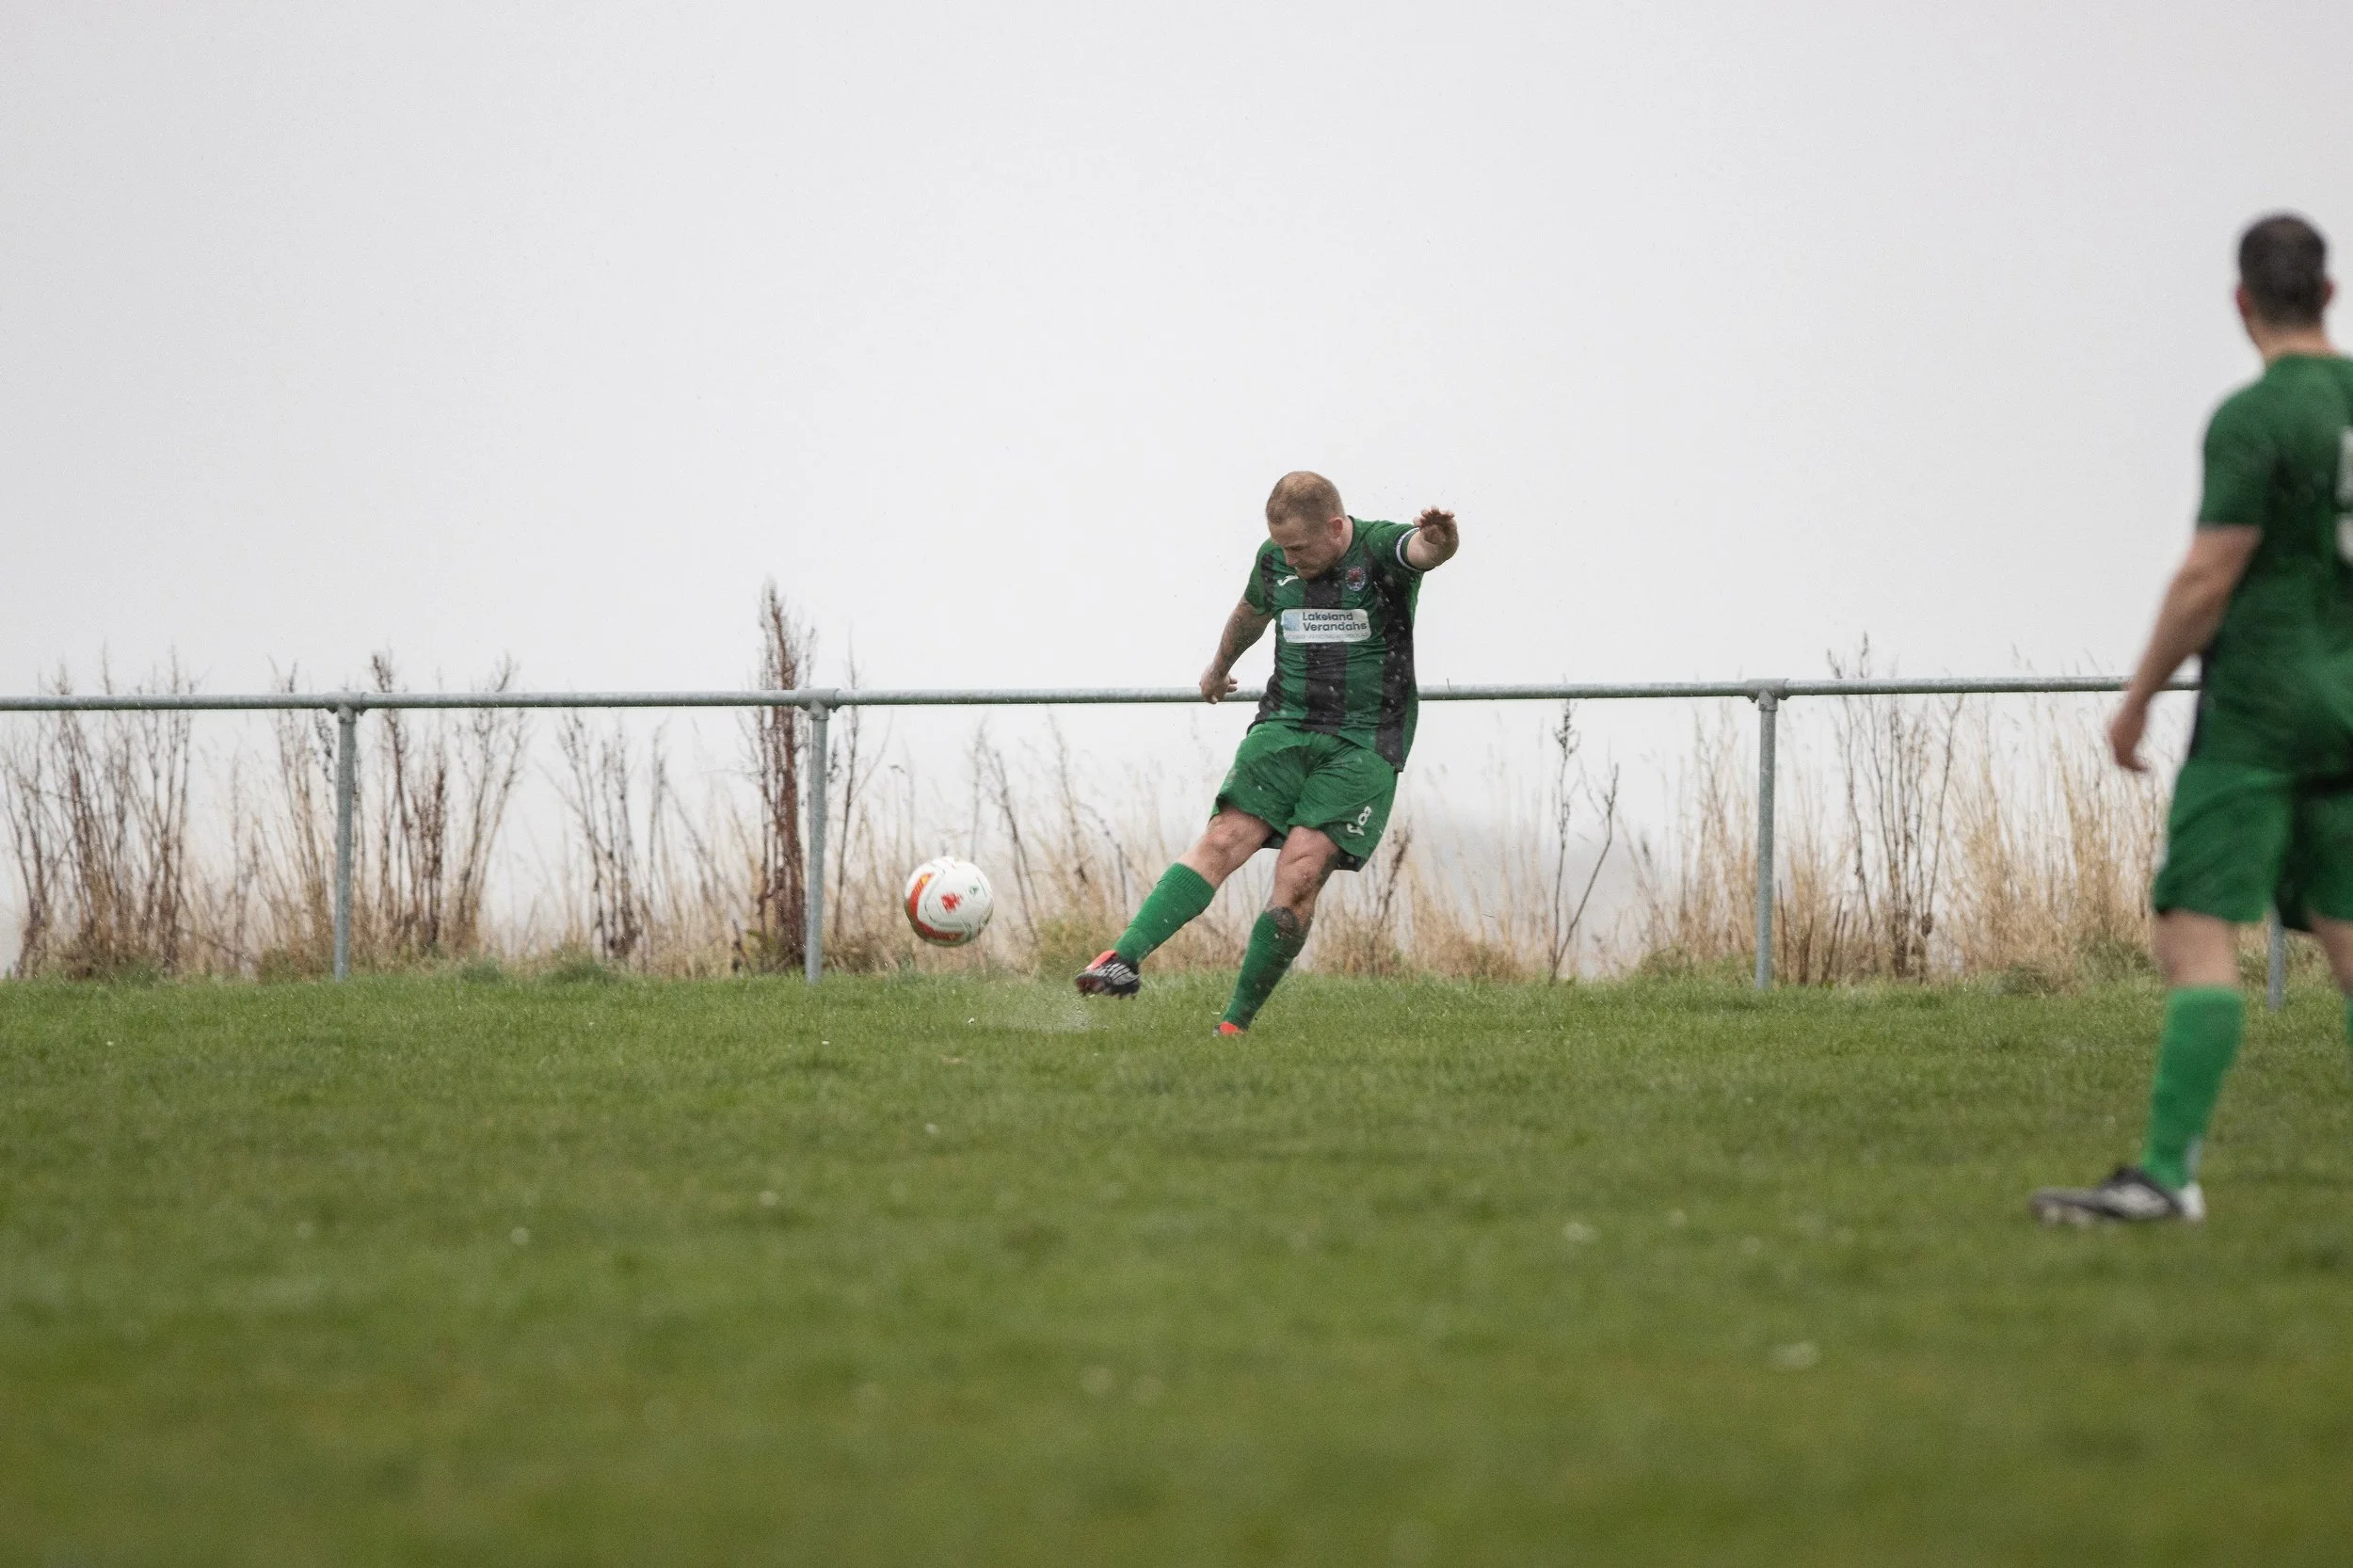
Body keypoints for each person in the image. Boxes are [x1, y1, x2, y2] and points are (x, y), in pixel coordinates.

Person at [2033, 213, 2352, 1224]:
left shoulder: (2253, 419)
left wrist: (2133, 701)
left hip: (2259, 713)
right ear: (2330, 295)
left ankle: (2167, 1175)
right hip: (2348, 708)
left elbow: (2209, 573)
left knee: (2193, 928)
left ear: (2241, 302)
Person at [1075, 472, 1460, 1032]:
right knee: (1223, 838)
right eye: (1281, 548)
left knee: (1299, 873)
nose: (1290, 559)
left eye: (1300, 548)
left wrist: (1441, 540)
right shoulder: (1276, 558)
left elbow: (1423, 550)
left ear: (1335, 527)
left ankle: (1232, 1026)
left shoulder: (1380, 547)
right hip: (1283, 725)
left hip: (1363, 740)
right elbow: (1251, 614)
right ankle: (1120, 959)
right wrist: (1217, 669)